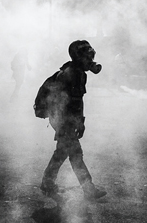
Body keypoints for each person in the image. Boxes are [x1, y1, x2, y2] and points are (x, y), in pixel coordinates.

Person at [40, 40, 107, 202]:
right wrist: (78, 122)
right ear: (79, 58)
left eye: (91, 57)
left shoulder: (76, 71)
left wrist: (79, 120)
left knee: (62, 152)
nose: (91, 62)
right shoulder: (73, 74)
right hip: (62, 117)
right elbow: (73, 103)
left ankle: (47, 182)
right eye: (87, 58)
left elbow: (77, 101)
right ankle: (88, 188)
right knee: (76, 153)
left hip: (61, 116)